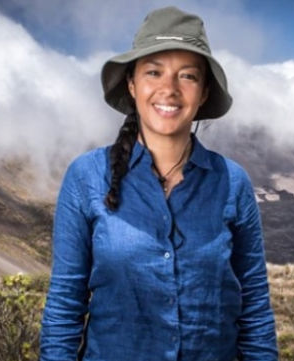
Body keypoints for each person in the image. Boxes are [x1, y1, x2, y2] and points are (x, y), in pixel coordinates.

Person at [40, 6, 278, 361]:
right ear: (132, 84)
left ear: (203, 93)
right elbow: (65, 304)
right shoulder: (86, 177)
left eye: (187, 76)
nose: (169, 89)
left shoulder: (232, 183)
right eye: (154, 72)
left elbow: (254, 308)